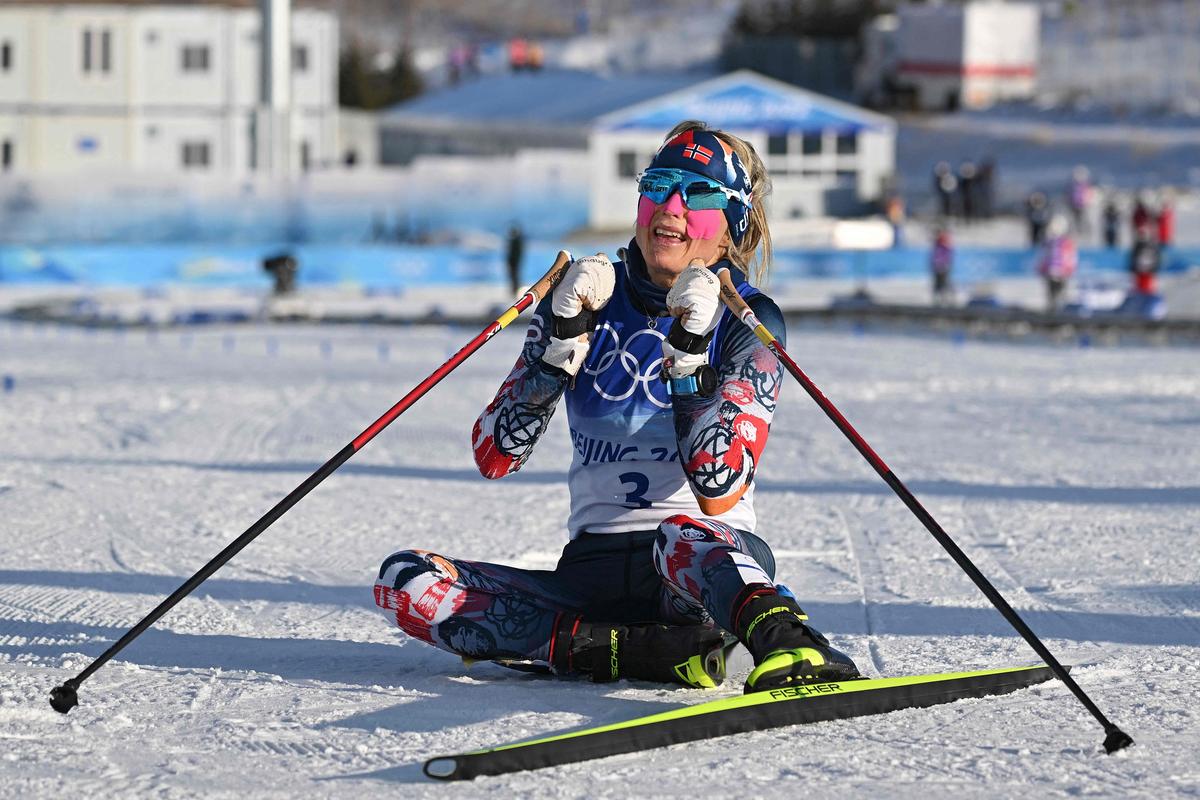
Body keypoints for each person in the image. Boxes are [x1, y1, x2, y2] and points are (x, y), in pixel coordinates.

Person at [374, 122, 861, 694]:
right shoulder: (586, 297)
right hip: (592, 571)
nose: (672, 207)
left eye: (699, 193)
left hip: (696, 569)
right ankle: (636, 652)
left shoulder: (747, 318)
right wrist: (556, 350)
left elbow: (718, 487)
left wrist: (686, 361)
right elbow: (494, 455)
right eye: (659, 185)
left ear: (735, 225)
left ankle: (789, 645)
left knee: (682, 531)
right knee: (404, 580)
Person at [1036, 214, 1077, 312]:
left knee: (1059, 293)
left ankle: (1059, 311)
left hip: (1061, 273)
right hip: (1051, 272)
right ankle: (1053, 311)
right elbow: (1044, 257)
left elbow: (1070, 258)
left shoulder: (1066, 243)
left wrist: (1069, 269)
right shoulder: (1049, 243)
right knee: (1052, 294)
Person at [930, 226, 954, 306]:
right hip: (938, 266)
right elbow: (935, 255)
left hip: (943, 266)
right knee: (938, 283)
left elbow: (946, 255)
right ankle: (939, 299)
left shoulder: (944, 242)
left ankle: (946, 298)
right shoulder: (937, 243)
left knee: (944, 283)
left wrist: (944, 264)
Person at [505, 223, 525, 296]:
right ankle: (514, 291)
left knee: (515, 277)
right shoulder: (516, 241)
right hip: (514, 262)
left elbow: (516, 253)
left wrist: (513, 261)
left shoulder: (516, 241)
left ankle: (515, 291)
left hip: (514, 262)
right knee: (514, 277)